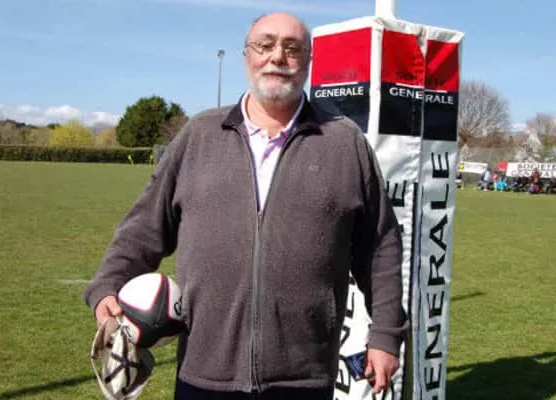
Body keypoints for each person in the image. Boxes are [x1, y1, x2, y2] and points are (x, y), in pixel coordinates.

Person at [83, 12, 407, 400]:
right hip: (204, 373)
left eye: (292, 48)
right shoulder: (200, 135)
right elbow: (144, 227)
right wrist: (109, 284)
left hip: (304, 377)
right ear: (246, 55)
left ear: (308, 60)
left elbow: (381, 247)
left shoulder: (343, 142)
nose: (277, 57)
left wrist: (386, 334)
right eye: (264, 45)